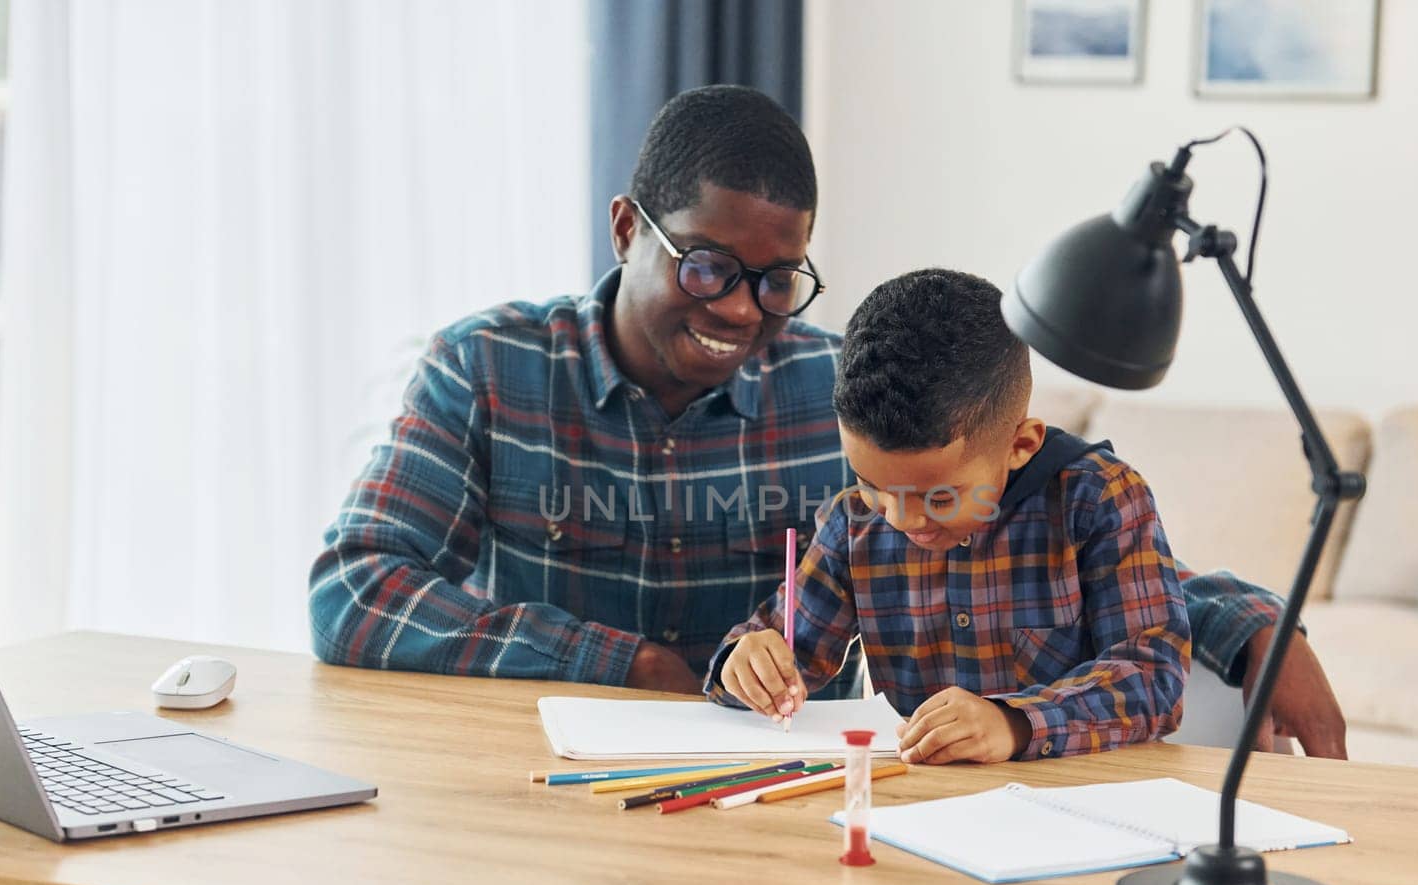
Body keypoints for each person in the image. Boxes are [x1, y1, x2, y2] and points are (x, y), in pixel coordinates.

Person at [307, 83, 1346, 759]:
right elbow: (354, 591)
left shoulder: (841, 391)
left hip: (762, 798)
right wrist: (625, 662)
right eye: (708, 265)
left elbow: (1045, 523)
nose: (736, 310)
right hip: (550, 777)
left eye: (774, 280)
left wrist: (1251, 622)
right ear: (628, 227)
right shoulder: (487, 369)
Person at [710, 269, 1190, 763]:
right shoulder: (854, 522)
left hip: (1079, 804)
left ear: (1021, 445)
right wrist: (745, 665)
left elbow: (1154, 677)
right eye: (872, 484)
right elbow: (786, 652)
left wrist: (1015, 722)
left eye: (939, 498)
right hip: (917, 804)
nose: (901, 519)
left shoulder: (1098, 499)